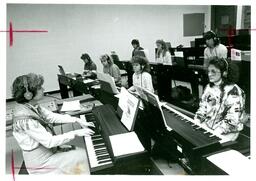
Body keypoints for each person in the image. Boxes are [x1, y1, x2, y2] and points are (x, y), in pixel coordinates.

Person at [12, 73, 94, 174]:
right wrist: (76, 133)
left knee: (82, 154)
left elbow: (52, 117)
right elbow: (49, 141)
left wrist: (77, 120)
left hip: (47, 151)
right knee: (84, 157)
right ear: (28, 94)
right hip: (40, 162)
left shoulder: (30, 106)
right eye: (39, 87)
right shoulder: (25, 119)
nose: (43, 89)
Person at [194, 57, 246, 141]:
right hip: (208, 126)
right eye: (208, 71)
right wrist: (197, 120)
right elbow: (203, 107)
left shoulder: (234, 91)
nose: (209, 74)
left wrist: (216, 132)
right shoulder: (208, 87)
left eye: (213, 71)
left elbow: (232, 120)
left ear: (224, 73)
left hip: (227, 131)